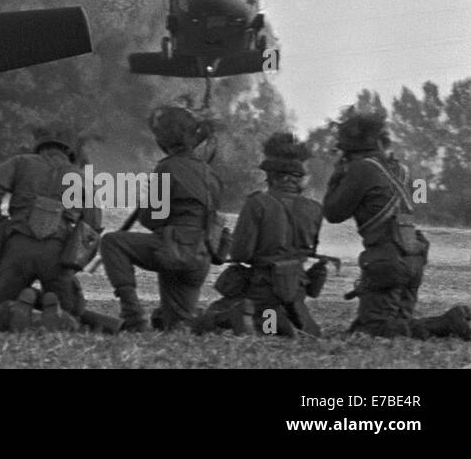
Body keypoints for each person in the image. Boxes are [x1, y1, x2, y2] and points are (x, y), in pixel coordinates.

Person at [323, 113, 470, 340]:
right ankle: (455, 319)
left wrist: (337, 176)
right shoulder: (400, 169)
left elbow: (333, 213)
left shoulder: (361, 169)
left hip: (387, 261)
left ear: (349, 150)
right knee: (398, 326)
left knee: (374, 331)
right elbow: (416, 200)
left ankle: (448, 322)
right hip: (413, 256)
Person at [100, 103, 224, 332]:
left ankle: (133, 314)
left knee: (112, 242)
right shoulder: (211, 174)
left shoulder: (167, 167)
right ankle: (220, 321)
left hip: (173, 249)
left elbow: (153, 219)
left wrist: (145, 206)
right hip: (199, 255)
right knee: (178, 326)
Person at [0, 125, 112, 333]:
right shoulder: (80, 176)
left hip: (17, 246)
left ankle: (13, 310)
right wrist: (74, 258)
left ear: (39, 147)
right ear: (69, 152)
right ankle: (58, 313)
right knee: (72, 312)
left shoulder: (20, 162)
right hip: (57, 252)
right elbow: (93, 222)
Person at [194, 133, 325, 337]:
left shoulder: (257, 204)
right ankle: (286, 320)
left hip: (263, 289)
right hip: (296, 289)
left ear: (271, 177)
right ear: (299, 179)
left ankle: (254, 319)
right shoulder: (315, 209)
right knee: (276, 321)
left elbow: (241, 254)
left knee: (215, 315)